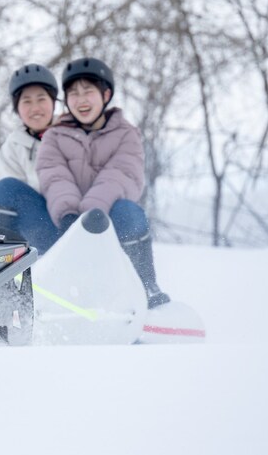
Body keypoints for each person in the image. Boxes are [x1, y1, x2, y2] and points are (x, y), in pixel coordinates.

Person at [35, 57, 171, 308]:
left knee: (130, 211)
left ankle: (146, 288)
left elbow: (121, 175)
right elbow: (53, 175)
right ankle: (28, 292)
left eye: (88, 91)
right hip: (64, 226)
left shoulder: (126, 134)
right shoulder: (54, 135)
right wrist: (69, 216)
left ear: (106, 94)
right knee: (16, 194)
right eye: (73, 93)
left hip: (110, 225)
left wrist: (90, 215)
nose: (81, 99)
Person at [0, 64, 63, 253]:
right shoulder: (12, 148)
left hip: (76, 223)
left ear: (53, 102)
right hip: (41, 227)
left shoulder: (72, 134)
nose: (35, 108)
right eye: (26, 101)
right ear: (17, 109)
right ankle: (0, 265)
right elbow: (11, 201)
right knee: (5, 189)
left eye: (41, 99)